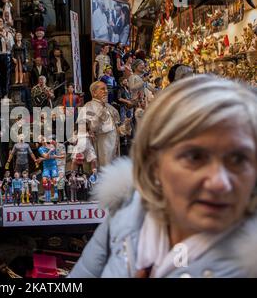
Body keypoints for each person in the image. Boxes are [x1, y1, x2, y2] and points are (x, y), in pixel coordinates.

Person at [70, 75, 257, 278]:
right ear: (153, 162)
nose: (220, 183)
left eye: (238, 159)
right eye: (195, 157)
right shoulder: (127, 216)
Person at [72, 81, 118, 170]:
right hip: (101, 143)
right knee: (104, 170)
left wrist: (125, 127)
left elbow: (115, 126)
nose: (106, 91)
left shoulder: (109, 106)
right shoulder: (88, 106)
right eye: (102, 89)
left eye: (106, 89)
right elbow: (87, 127)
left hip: (114, 142)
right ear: (94, 93)